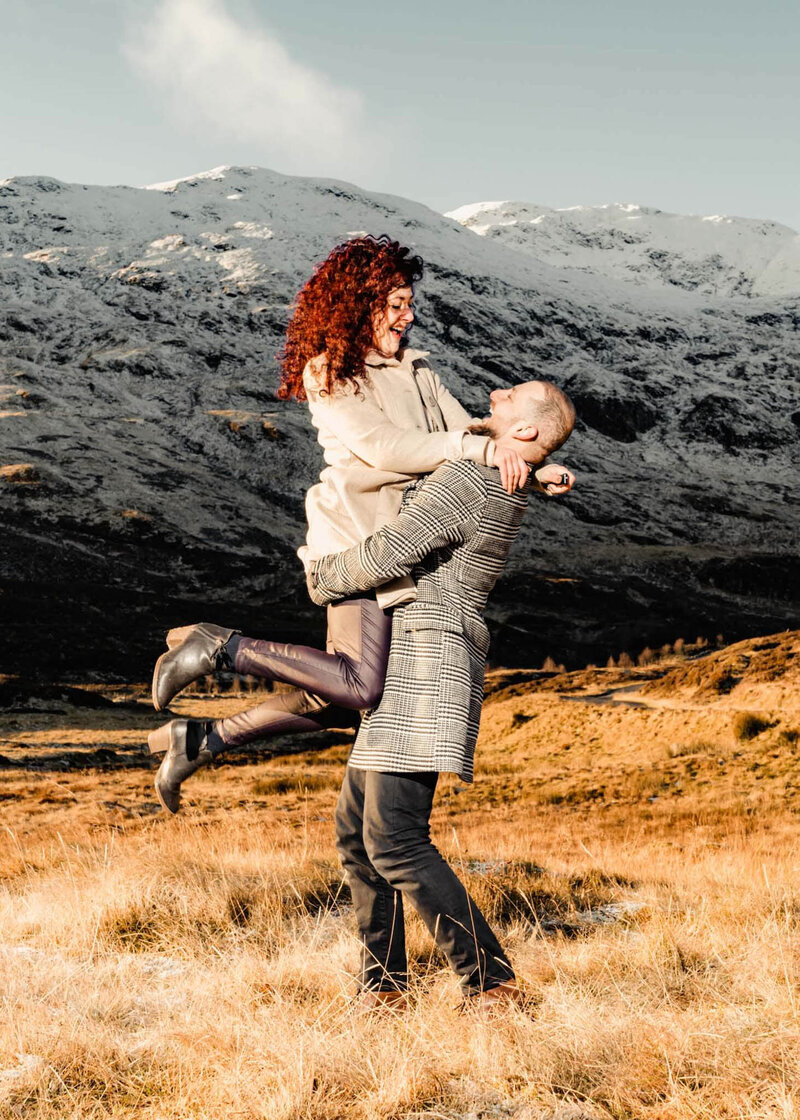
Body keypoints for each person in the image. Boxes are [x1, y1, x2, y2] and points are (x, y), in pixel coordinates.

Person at [148, 237, 574, 811]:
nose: (408, 316)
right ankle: (220, 648)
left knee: (342, 699)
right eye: (396, 304)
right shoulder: (330, 371)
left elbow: (474, 434)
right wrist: (479, 450)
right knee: (361, 685)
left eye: (409, 304)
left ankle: (200, 740)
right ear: (359, 305)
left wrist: (534, 468)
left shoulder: (419, 368)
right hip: (359, 538)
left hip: (404, 546)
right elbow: (384, 446)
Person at [303, 379, 575, 1010]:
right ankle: (385, 986)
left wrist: (322, 578)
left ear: (525, 430)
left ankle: (492, 983)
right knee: (357, 835)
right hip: (412, 662)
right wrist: (543, 471)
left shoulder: (471, 478)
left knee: (394, 838)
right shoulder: (497, 472)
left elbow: (392, 552)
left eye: (511, 396)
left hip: (425, 663)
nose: (495, 392)